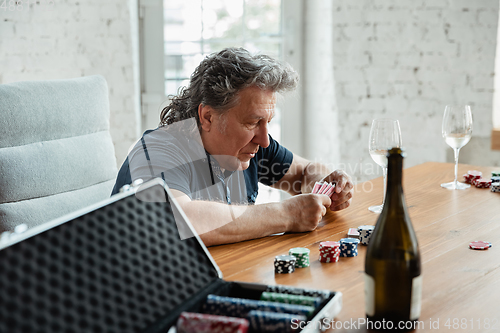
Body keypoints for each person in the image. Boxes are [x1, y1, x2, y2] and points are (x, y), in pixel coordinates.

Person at [112, 47, 353, 246]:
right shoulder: (157, 152)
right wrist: (287, 215)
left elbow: (304, 172)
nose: (265, 140)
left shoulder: (251, 145)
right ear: (207, 117)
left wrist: (327, 185)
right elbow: (178, 219)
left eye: (267, 122)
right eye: (252, 122)